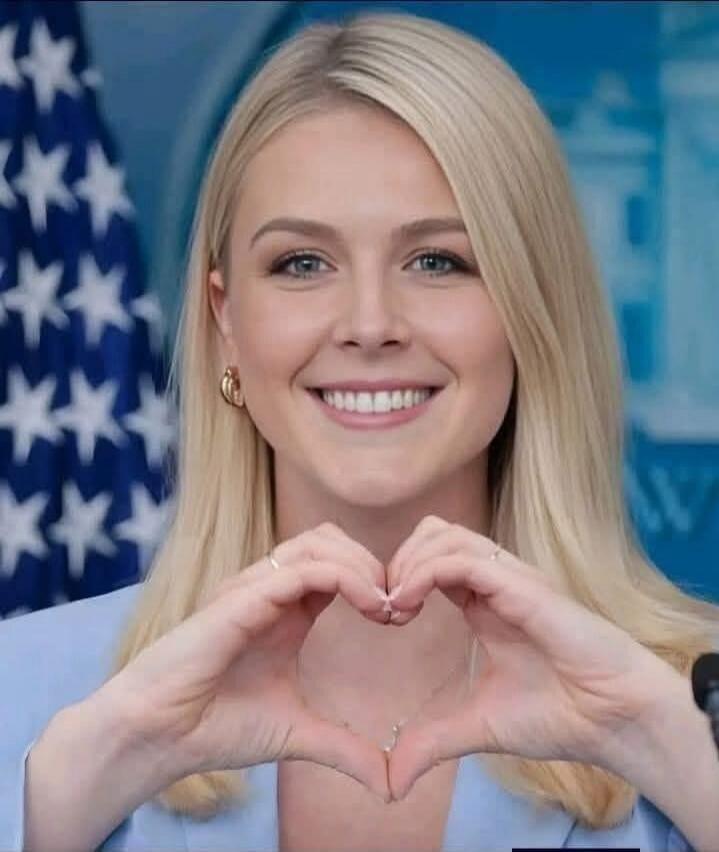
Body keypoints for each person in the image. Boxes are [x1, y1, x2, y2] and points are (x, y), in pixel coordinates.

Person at [2, 9, 718, 851]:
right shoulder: (21, 694)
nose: (369, 323)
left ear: (531, 309)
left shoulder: (687, 708)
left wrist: (691, 773)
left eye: (437, 261)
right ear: (226, 318)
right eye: (301, 264)